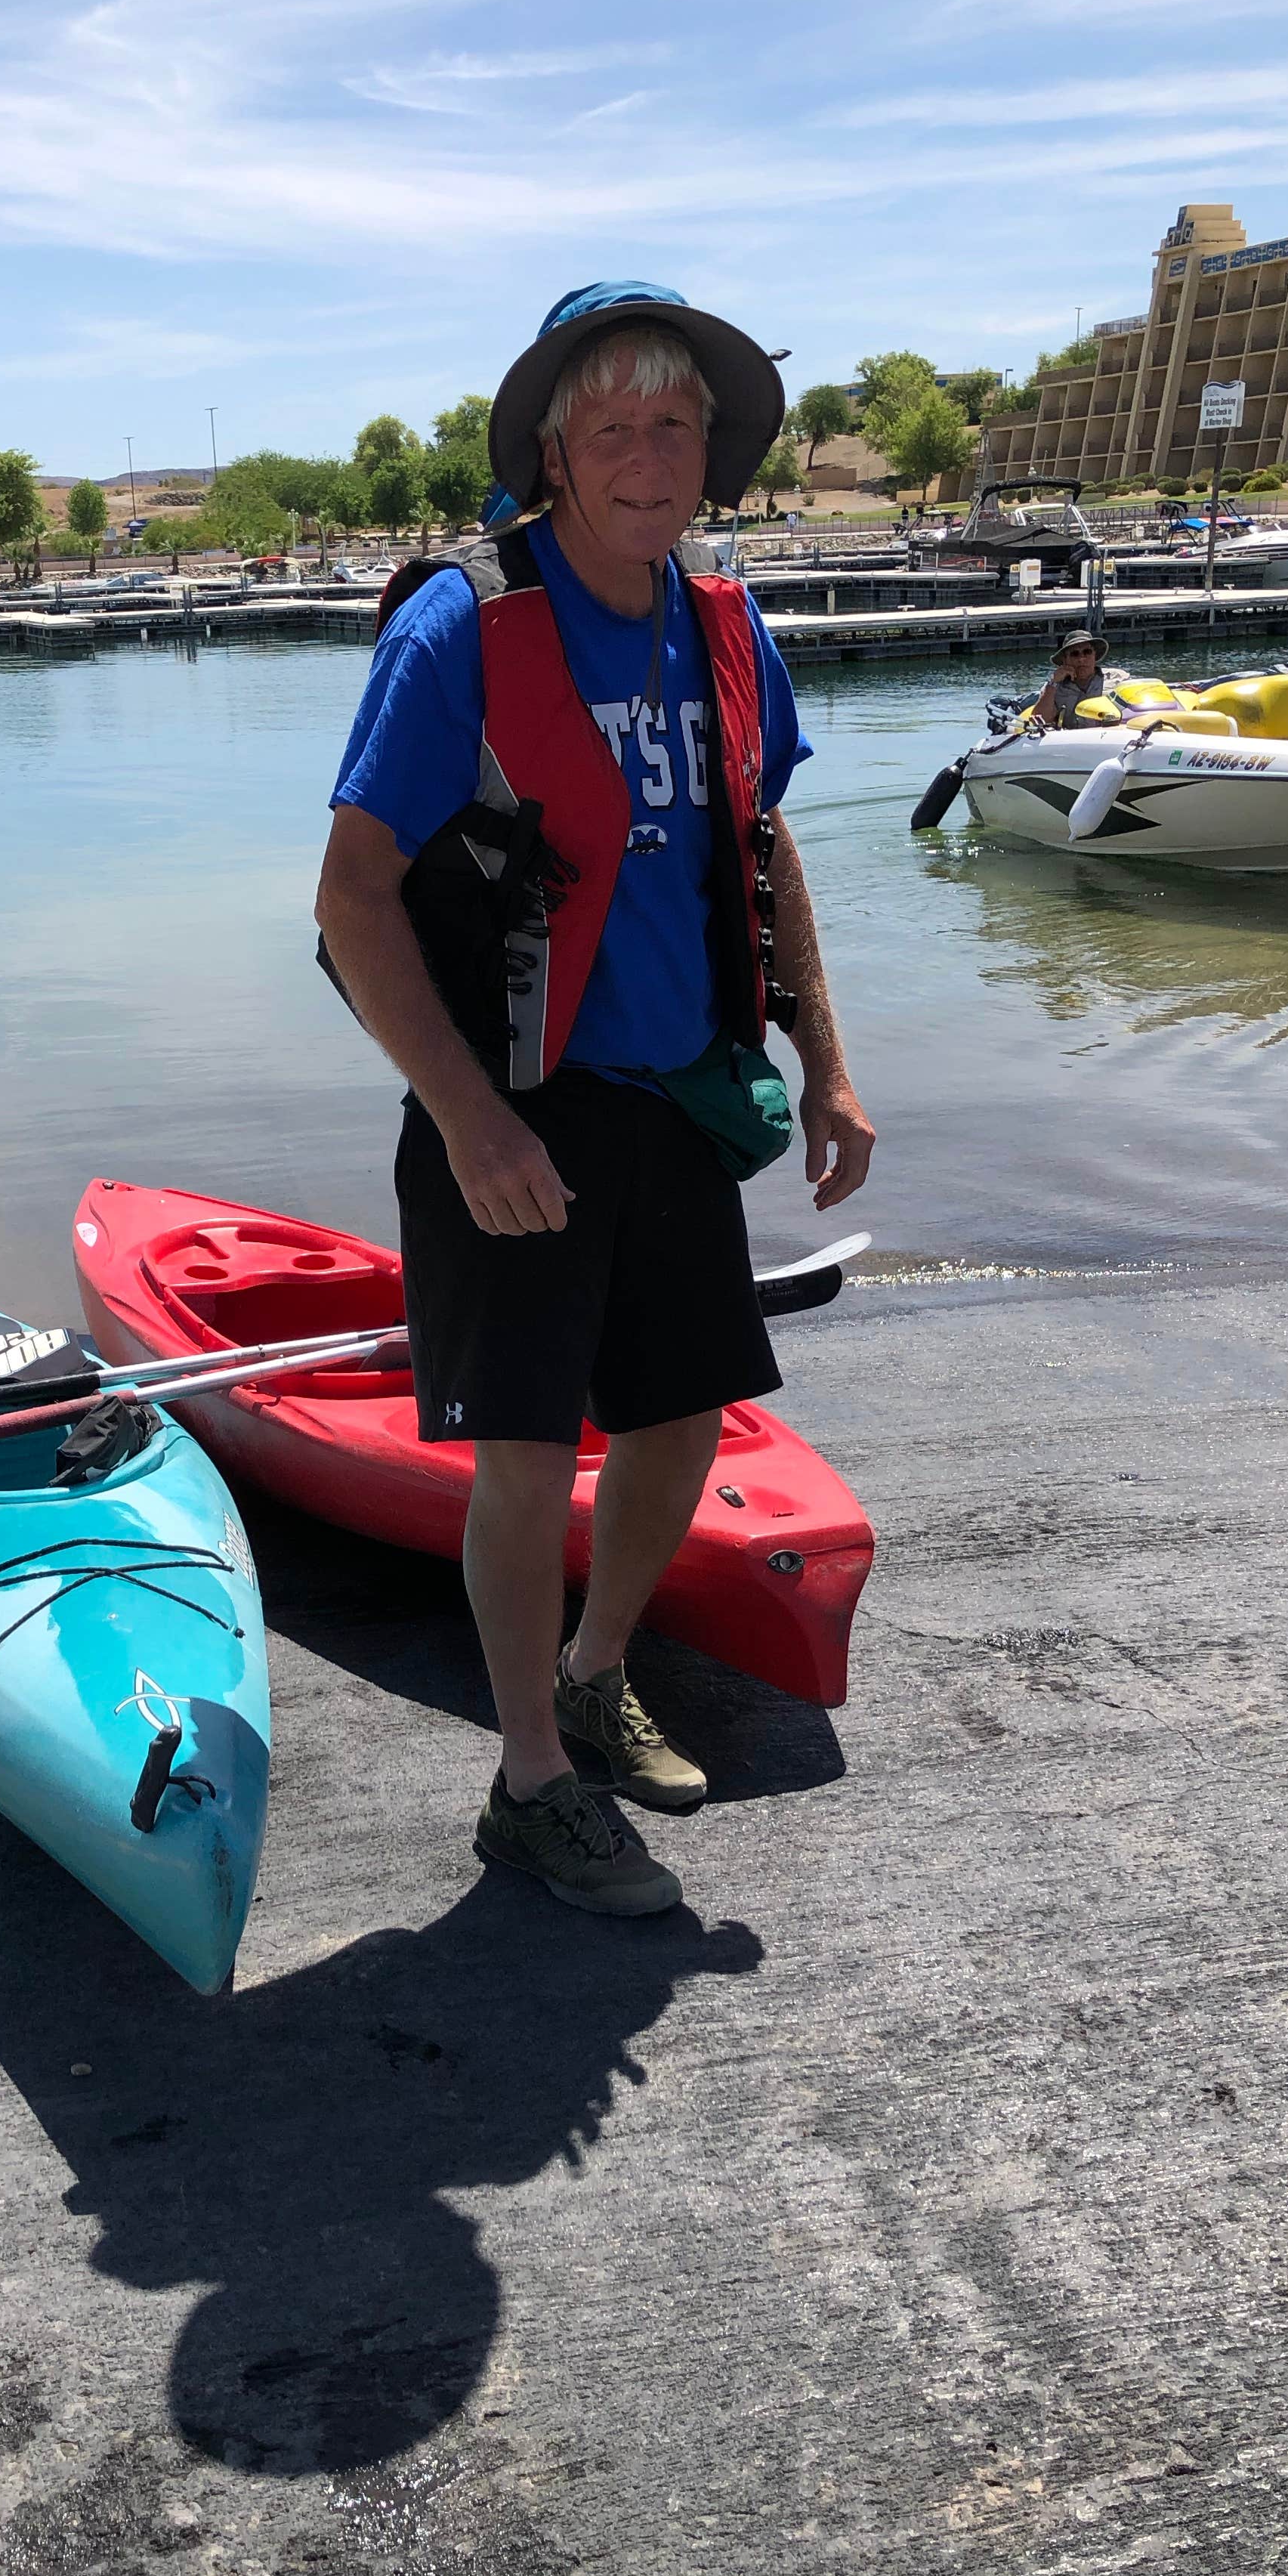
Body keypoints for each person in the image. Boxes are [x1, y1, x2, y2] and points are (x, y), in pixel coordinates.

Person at [316, 281, 874, 1919]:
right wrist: (472, 1124)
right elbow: (353, 897)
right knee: (517, 1453)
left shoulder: (722, 612)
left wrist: (826, 1057)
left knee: (682, 1413)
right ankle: (528, 1785)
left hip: (677, 1095)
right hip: (513, 1104)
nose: (647, 455)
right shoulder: (462, 628)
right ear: (555, 453)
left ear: (714, 450)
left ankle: (596, 1673)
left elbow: (762, 842)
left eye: (676, 424)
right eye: (612, 426)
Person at [1030, 629, 1117, 727]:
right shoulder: (1054, 687)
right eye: (1075, 654)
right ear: (1065, 660)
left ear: (1095, 655)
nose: (1081, 659)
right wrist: (1052, 683)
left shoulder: (1117, 679)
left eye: (1087, 652)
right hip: (1071, 740)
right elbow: (1039, 720)